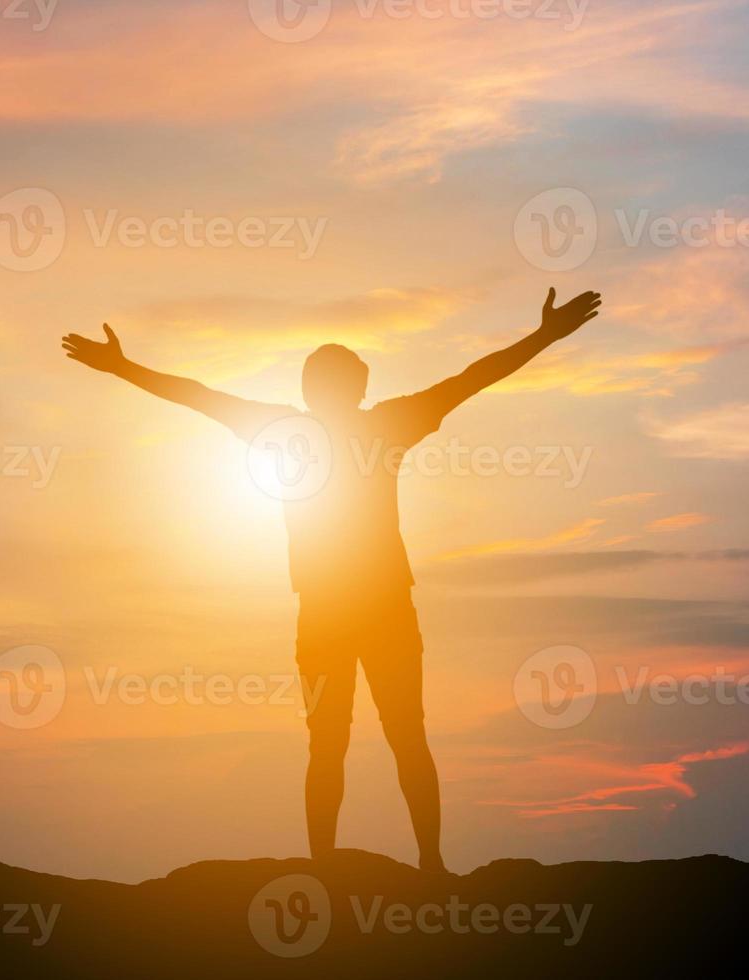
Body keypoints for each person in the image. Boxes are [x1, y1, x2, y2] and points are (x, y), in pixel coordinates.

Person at [61, 288, 603, 872]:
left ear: (330, 391)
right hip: (347, 609)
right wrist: (121, 367)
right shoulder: (377, 424)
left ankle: (404, 864)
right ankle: (403, 865)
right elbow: (470, 378)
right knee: (366, 741)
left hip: (354, 609)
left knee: (369, 741)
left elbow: (200, 397)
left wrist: (121, 367)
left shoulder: (325, 426)